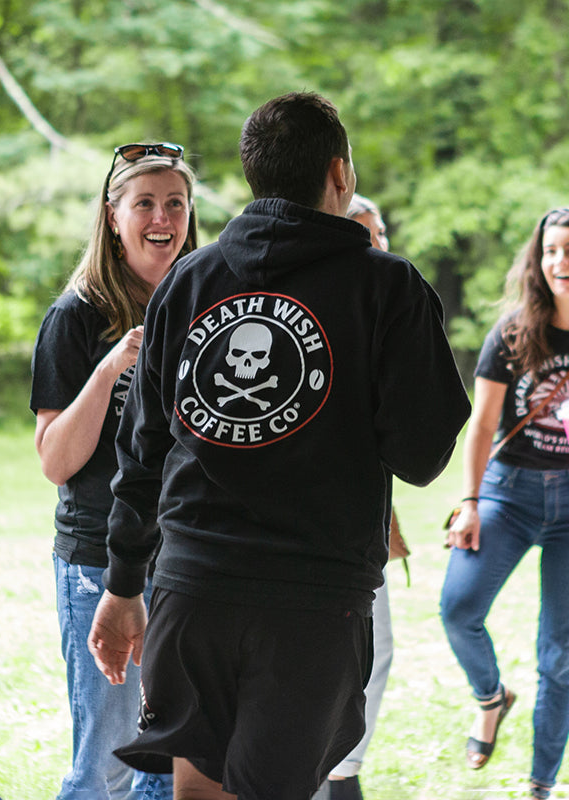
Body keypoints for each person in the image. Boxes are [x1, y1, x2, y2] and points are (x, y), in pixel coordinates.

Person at [90, 92, 469, 800]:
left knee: (198, 795)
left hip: (191, 592)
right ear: (340, 173)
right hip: (311, 603)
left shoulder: (189, 281)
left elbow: (140, 452)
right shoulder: (387, 289)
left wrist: (122, 584)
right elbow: (423, 456)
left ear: (253, 176)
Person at [441, 205, 569, 800]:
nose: (561, 261)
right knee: (458, 607)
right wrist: (471, 500)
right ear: (538, 262)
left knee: (558, 656)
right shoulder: (511, 333)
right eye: (551, 251)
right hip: (509, 491)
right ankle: (491, 696)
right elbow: (480, 426)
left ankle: (540, 784)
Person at [31, 142, 197, 800]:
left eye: (176, 203)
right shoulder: (76, 318)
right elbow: (55, 461)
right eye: (146, 203)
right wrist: (110, 369)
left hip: (189, 558)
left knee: (176, 755)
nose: (163, 218)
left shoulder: (202, 305)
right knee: (107, 759)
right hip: (100, 563)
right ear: (112, 215)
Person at [310, 194, 411, 800]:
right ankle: (332, 780)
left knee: (375, 654)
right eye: (361, 234)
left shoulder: (382, 309)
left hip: (362, 522)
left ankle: (341, 775)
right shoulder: (330, 312)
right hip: (317, 529)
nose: (375, 245)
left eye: (380, 234)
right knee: (342, 658)